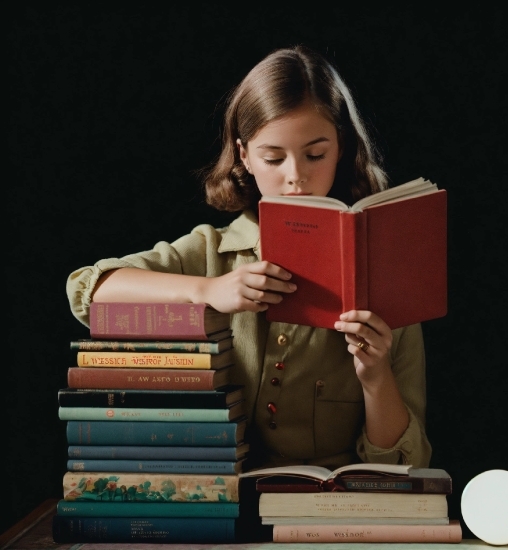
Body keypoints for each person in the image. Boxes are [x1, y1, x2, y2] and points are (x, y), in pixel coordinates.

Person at [66, 45, 432, 470]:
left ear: (342, 148)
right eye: (273, 157)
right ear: (244, 155)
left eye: (316, 154)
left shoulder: (385, 279)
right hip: (211, 497)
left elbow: (407, 462)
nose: (296, 175)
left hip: (325, 507)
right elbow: (87, 291)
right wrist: (208, 290)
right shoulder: (209, 252)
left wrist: (374, 376)